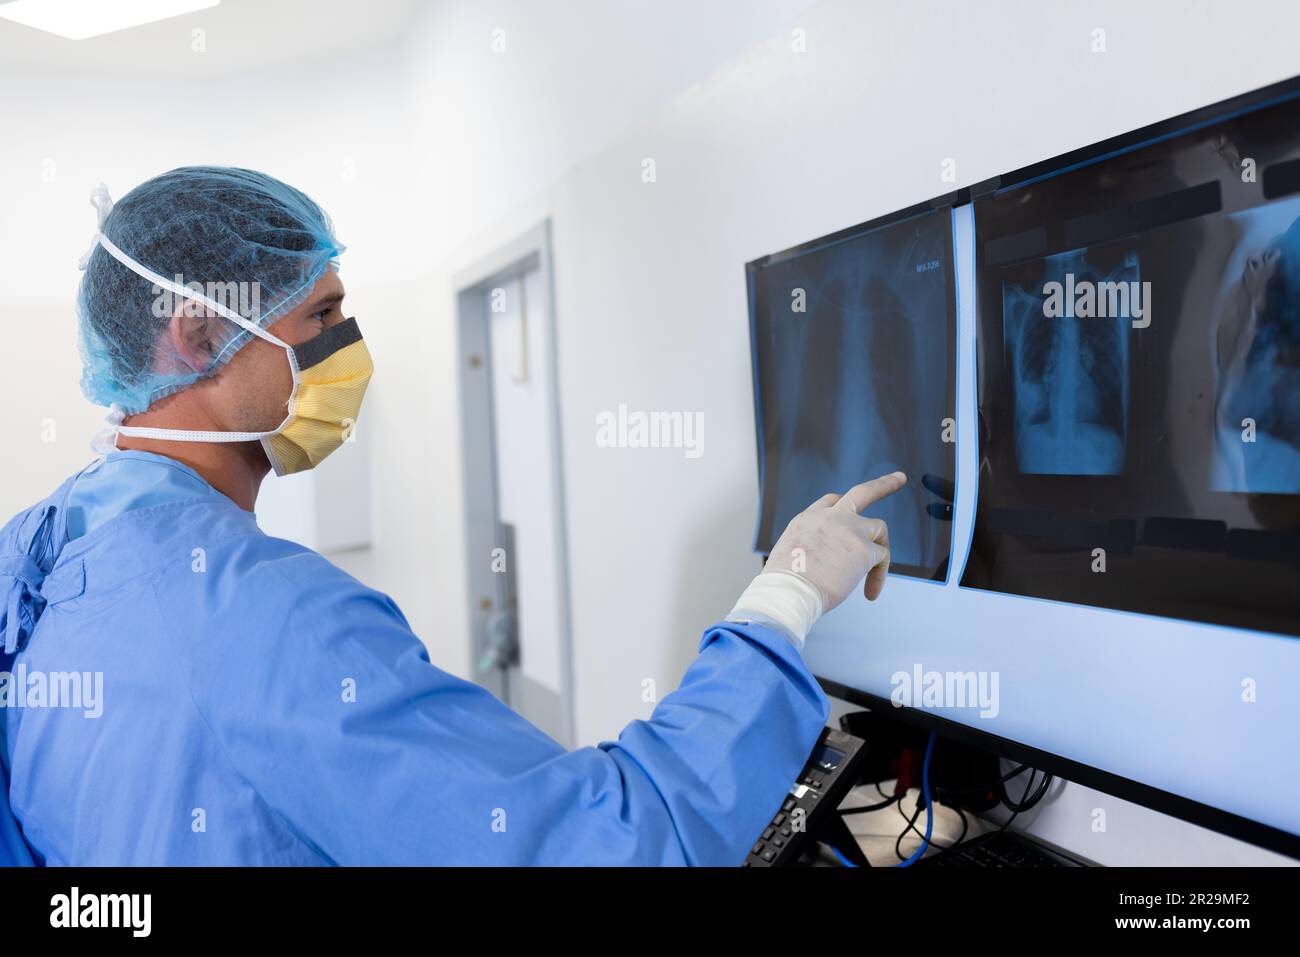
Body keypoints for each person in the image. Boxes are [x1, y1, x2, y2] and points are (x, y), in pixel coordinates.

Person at [0, 167, 903, 865]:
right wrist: (785, 599)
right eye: (322, 313)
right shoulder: (257, 617)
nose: (347, 350)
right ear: (199, 336)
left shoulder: (39, 556)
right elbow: (612, 844)